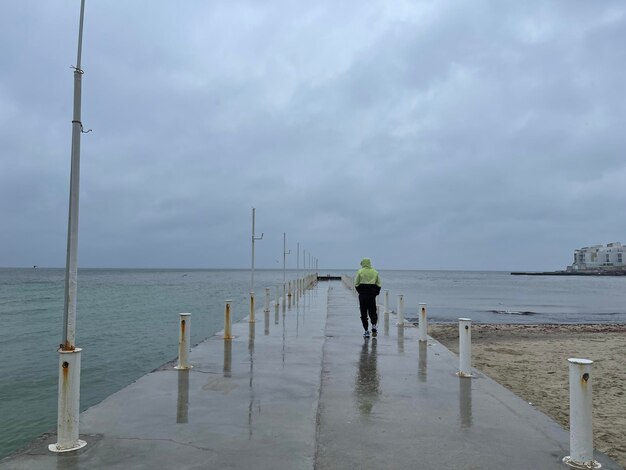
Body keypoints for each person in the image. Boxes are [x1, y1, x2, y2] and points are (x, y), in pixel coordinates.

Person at [354, 258, 382, 338]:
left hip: (363, 296)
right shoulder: (375, 272)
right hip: (371, 296)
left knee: (363, 313)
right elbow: (379, 284)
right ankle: (373, 325)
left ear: (363, 263)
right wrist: (375, 293)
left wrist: (360, 291)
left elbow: (356, 283)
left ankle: (366, 331)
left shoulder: (360, 271)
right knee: (373, 311)